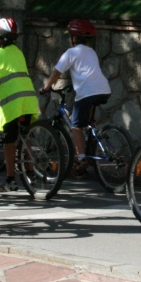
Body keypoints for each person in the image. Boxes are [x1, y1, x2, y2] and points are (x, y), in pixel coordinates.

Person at [41, 19, 110, 177]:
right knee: (89, 121)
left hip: (87, 92)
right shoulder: (91, 52)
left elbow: (56, 73)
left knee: (76, 126)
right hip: (104, 89)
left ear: (75, 38)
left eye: (70, 36)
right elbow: (89, 73)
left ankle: (81, 159)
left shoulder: (71, 53)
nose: (68, 39)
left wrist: (45, 88)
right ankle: (93, 139)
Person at [0, 18, 39, 192]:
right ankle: (31, 172)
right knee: (24, 137)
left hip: (11, 104)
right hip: (28, 100)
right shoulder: (18, 52)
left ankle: (11, 179)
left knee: (9, 141)